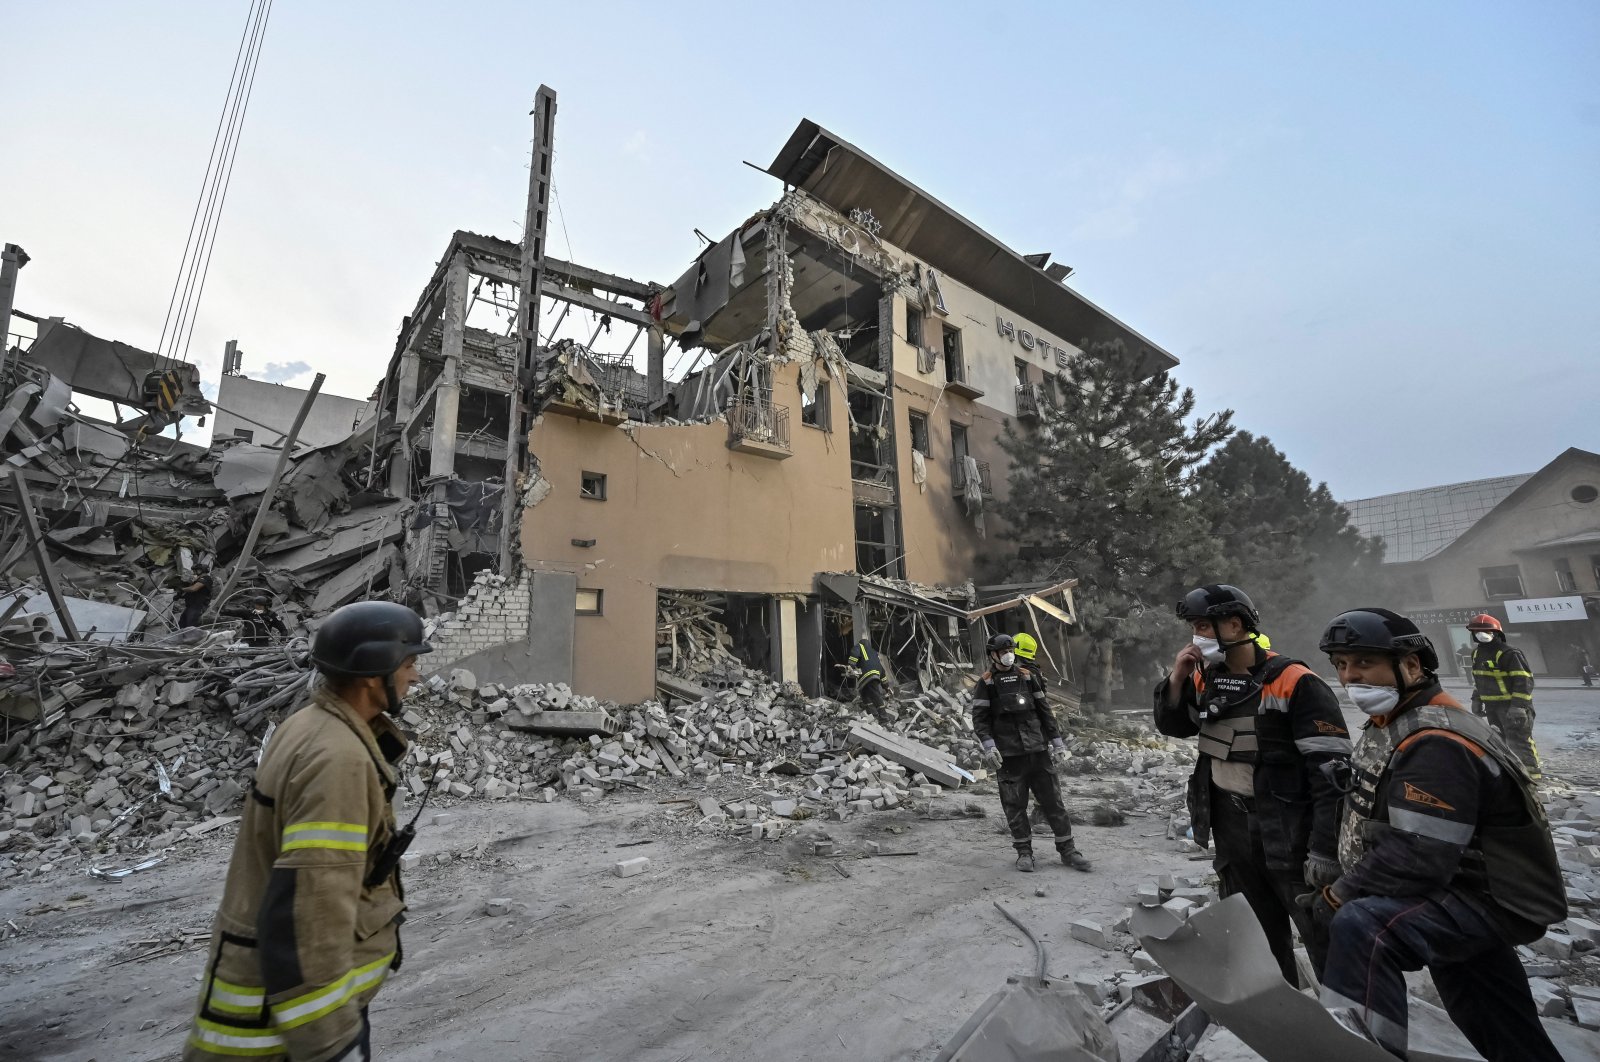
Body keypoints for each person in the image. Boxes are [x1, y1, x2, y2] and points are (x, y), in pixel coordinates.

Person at [1306, 608, 1564, 1061]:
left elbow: (1416, 856)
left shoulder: (1437, 740)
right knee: (1495, 1019)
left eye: (1364, 663)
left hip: (1480, 897)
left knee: (1364, 926)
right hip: (1459, 889)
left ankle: (1362, 1053)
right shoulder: (1400, 720)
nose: (1349, 677)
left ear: (1410, 666)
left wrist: (1338, 895)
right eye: (1342, 665)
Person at [184, 601, 431, 1061]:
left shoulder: (308, 725)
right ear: (371, 673)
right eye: (410, 663)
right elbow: (309, 910)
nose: (414, 676)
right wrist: (331, 1042)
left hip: (271, 1008)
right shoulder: (336, 759)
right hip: (285, 1032)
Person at [1155, 584, 1350, 983]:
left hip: (1289, 828)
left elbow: (1332, 776)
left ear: (1235, 624)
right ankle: (1284, 1020)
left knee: (1322, 932)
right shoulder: (1204, 679)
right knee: (1255, 935)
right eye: (1194, 627)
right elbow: (1175, 726)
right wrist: (1176, 678)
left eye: (1205, 627)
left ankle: (1348, 1026)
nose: (1198, 637)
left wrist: (1325, 850)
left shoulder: (1294, 680)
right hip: (1231, 825)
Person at [973, 633, 1091, 873]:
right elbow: (980, 720)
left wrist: (1057, 742)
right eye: (1003, 651)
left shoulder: (1027, 677)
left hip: (1038, 751)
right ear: (993, 655)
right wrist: (989, 746)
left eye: (1010, 649)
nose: (1008, 654)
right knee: (1014, 806)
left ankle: (1069, 851)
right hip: (1009, 757)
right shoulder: (986, 684)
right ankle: (1024, 853)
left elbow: (1044, 710)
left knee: (1053, 803)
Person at [1466, 614, 1540, 778]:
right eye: (1476, 631)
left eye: (1485, 631)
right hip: (1492, 708)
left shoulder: (1509, 653)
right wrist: (1476, 700)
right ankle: (1512, 776)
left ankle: (1531, 779)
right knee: (1500, 741)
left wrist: (1518, 706)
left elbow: (1524, 680)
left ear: (1496, 632)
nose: (1480, 634)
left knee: (1520, 742)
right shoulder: (1477, 654)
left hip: (1511, 707)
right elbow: (1479, 679)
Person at [846, 637, 893, 721]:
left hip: (867, 675)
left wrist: (851, 666)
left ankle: (884, 717)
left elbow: (854, 653)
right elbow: (882, 672)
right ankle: (873, 715)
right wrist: (886, 687)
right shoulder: (874, 654)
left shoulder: (860, 646)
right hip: (874, 676)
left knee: (875, 695)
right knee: (864, 694)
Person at [178, 565, 215, 629]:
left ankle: (190, 638)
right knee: (182, 624)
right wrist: (180, 595)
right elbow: (193, 592)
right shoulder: (198, 580)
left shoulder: (206, 579)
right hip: (191, 606)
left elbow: (193, 589)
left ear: (201, 570)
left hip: (197, 607)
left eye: (196, 570)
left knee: (190, 627)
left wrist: (182, 589)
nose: (194, 572)